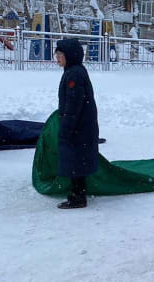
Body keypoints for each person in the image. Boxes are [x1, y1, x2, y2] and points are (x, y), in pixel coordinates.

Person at [54, 38, 99, 209]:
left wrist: (66, 128)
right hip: (82, 127)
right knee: (77, 161)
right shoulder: (74, 71)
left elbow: (74, 105)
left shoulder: (74, 74)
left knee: (76, 161)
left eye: (60, 54)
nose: (57, 58)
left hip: (79, 128)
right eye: (56, 54)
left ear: (70, 55)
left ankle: (78, 198)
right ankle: (77, 194)